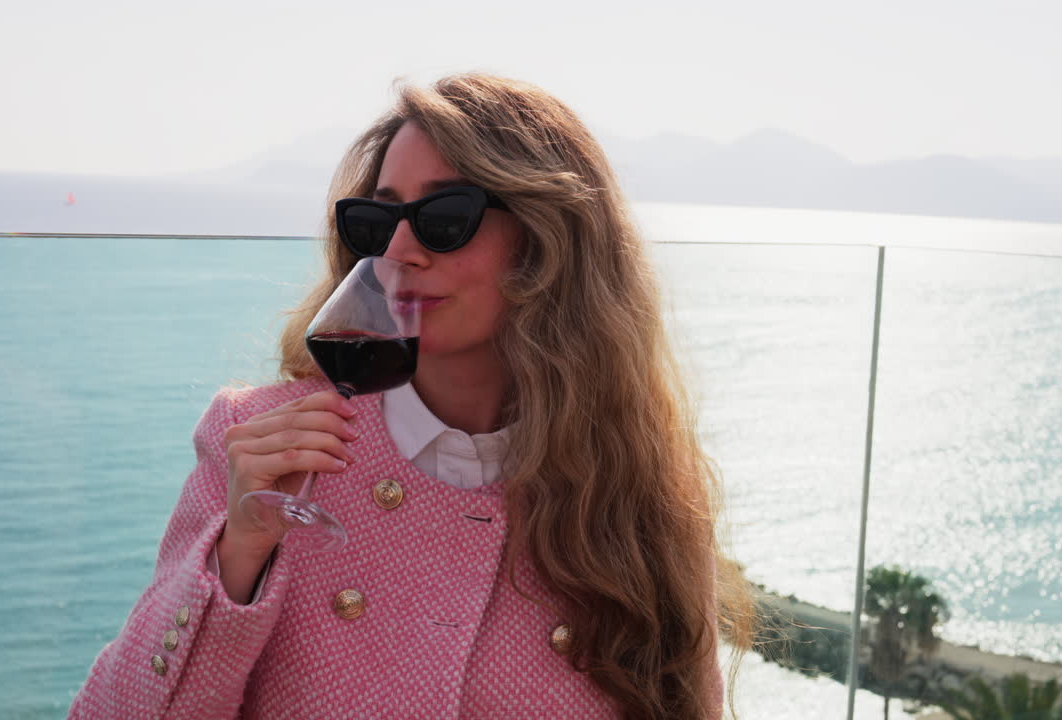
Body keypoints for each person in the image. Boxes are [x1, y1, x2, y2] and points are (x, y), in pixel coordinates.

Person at [69, 72, 752, 719]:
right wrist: (237, 555)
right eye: (377, 222)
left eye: (444, 217)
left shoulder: (635, 481)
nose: (398, 249)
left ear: (550, 240)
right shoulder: (260, 449)